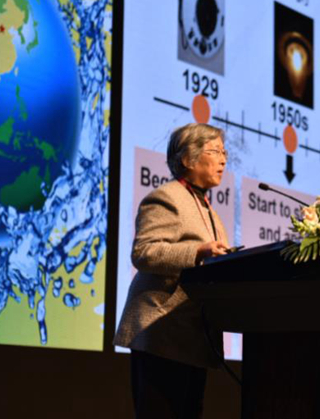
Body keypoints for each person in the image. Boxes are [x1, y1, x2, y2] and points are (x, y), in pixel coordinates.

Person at [115, 123, 230, 419]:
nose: (223, 159)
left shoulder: (209, 210)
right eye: (215, 151)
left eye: (224, 152)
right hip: (162, 333)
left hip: (193, 338)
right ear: (188, 159)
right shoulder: (166, 197)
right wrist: (198, 252)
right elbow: (144, 252)